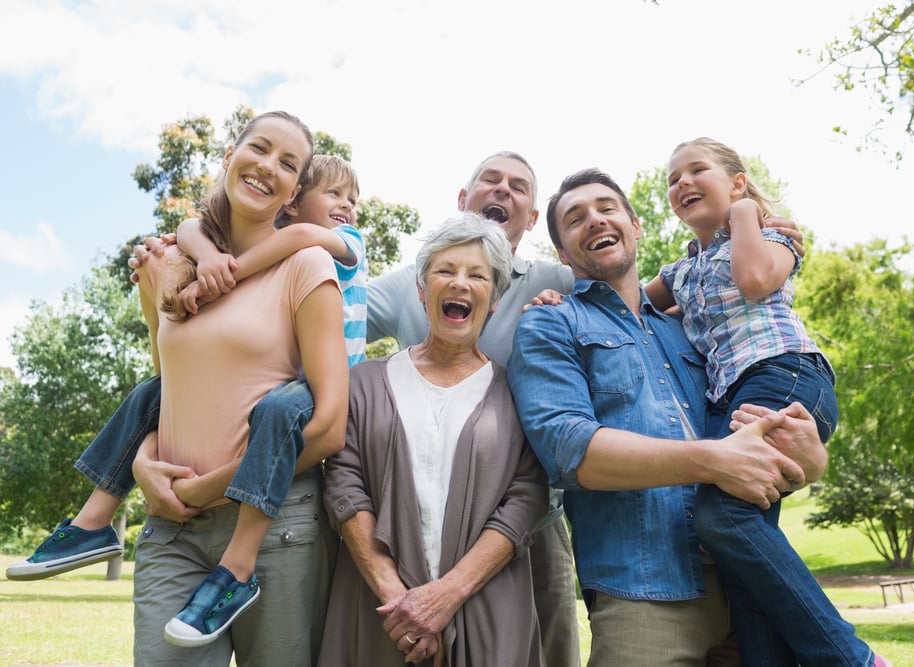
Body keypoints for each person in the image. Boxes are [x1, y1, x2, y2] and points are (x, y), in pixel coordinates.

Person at [506, 167, 834, 667]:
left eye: (606, 208)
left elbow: (752, 439)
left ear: (636, 226)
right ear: (563, 254)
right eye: (575, 218)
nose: (594, 220)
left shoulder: (700, 333)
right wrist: (713, 460)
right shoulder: (551, 323)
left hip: (750, 590)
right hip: (644, 596)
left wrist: (811, 463)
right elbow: (569, 449)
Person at [5, 153, 366, 600]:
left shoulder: (331, 244)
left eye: (354, 199)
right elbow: (192, 229)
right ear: (293, 202)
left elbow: (303, 236)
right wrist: (203, 255)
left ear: (290, 195)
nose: (348, 206)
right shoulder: (247, 249)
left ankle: (238, 566)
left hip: (310, 393)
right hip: (259, 399)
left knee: (278, 411)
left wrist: (219, 275)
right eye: (334, 194)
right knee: (149, 393)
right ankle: (93, 520)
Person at [641, 137, 887, 667]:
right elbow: (624, 302)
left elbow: (754, 281)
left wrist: (747, 212)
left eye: (696, 170)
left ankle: (851, 658)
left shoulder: (774, 237)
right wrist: (555, 297)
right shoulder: (682, 272)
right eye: (671, 178)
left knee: (724, 517)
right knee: (739, 554)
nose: (680, 182)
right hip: (730, 398)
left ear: (735, 181)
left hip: (784, 375)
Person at [131, 110, 348, 665]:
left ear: (295, 190)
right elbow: (169, 391)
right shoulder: (173, 265)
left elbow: (326, 429)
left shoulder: (307, 264)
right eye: (259, 148)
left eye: (288, 163)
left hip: (277, 525)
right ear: (230, 156)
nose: (267, 166)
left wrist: (208, 489)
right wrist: (142, 464)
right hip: (173, 527)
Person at [365, 151, 581, 667]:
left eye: (518, 186)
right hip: (422, 512)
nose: (503, 189)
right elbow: (322, 310)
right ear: (463, 200)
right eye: (491, 179)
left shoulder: (559, 282)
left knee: (550, 643)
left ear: (532, 219)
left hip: (532, 508)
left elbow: (629, 296)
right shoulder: (409, 283)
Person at [320, 213, 549, 666]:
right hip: (377, 611)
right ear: (422, 290)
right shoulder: (363, 383)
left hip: (486, 611)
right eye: (445, 271)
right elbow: (343, 485)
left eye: (477, 275)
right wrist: (401, 604)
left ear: (496, 298)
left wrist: (445, 597)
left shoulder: (518, 392)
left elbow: (527, 497)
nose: (460, 283)